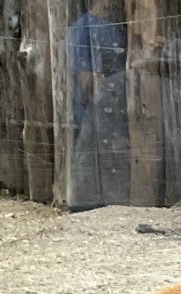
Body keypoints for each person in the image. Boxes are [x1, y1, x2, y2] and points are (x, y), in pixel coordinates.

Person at [67, 0, 130, 210]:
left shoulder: (119, 27)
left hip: (118, 119)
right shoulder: (82, 28)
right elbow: (86, 83)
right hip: (93, 117)